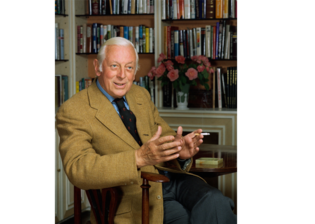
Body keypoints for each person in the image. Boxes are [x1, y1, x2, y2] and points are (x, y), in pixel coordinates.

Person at [56, 37, 238, 224]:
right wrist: (138, 158)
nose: (122, 75)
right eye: (114, 66)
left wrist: (180, 151)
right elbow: (78, 169)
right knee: (194, 218)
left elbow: (164, 134)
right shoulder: (74, 109)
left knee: (216, 200)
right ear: (98, 67)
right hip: (135, 197)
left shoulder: (140, 94)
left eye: (129, 67)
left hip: (171, 179)